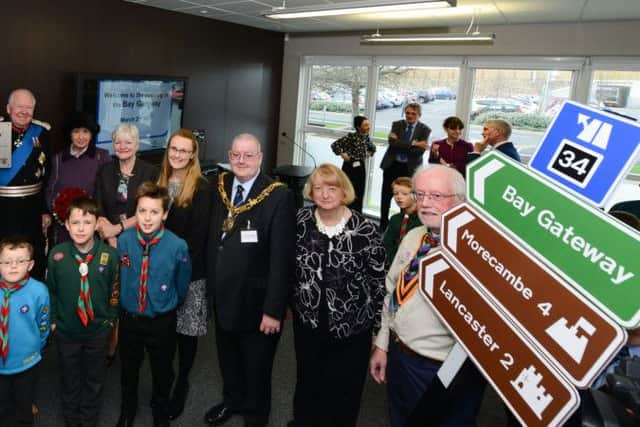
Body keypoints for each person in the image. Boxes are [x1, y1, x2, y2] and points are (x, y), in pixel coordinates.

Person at [369, 165, 486, 427]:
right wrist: (383, 344)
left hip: (445, 369)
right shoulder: (414, 236)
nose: (424, 203)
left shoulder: (478, 250)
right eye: (419, 194)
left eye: (435, 196)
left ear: (460, 200)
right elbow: (392, 293)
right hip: (400, 357)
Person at [205, 133, 295, 427]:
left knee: (257, 367)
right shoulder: (220, 185)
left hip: (258, 303)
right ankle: (232, 400)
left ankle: (256, 416)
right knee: (227, 359)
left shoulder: (278, 195)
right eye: (236, 155)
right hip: (223, 295)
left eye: (248, 155)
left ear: (260, 158)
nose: (241, 161)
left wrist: (274, 309)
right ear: (229, 156)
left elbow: (282, 259)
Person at [289, 163, 386, 427]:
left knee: (344, 391)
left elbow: (379, 284)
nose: (325, 194)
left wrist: (380, 333)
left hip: (353, 330)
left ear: (344, 192)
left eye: (332, 188)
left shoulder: (365, 230)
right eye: (318, 188)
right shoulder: (299, 222)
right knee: (308, 381)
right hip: (308, 324)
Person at [116, 182, 191, 427]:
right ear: (135, 212)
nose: (147, 218)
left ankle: (160, 409)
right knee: (128, 369)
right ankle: (128, 409)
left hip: (161, 321)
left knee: (162, 371)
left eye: (154, 212)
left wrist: (167, 305)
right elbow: (118, 275)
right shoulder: (124, 241)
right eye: (142, 211)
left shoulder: (177, 245)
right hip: (130, 319)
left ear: (165, 214)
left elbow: (182, 285)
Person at [46, 197, 119, 427]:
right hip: (66, 331)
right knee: (69, 378)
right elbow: (52, 292)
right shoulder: (57, 256)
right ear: (66, 225)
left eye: (87, 222)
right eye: (75, 222)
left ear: (97, 224)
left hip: (97, 331)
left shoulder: (109, 255)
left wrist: (109, 321)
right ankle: (71, 419)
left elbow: (114, 292)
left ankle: (89, 420)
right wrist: (55, 321)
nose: (80, 228)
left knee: (94, 379)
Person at [156, 129, 212, 420]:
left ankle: (183, 382)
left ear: (193, 154)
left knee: (186, 333)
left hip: (188, 272)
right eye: (173, 149)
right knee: (164, 332)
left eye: (183, 150)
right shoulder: (158, 181)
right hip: (157, 271)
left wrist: (172, 266)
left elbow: (198, 238)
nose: (177, 154)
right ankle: (164, 382)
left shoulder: (201, 188)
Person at [0, 89, 52, 280]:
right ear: (8, 108)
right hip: (2, 208)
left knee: (31, 256)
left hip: (31, 207)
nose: (24, 111)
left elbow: (47, 175)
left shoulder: (42, 133)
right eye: (19, 106)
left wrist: (44, 209)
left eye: (29, 107)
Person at [0, 237, 50, 426]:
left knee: (23, 407)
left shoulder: (39, 291)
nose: (13, 266)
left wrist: (36, 348)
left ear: (30, 265)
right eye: (6, 262)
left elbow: (43, 325)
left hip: (26, 362)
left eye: (20, 261)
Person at [45, 111, 111, 244]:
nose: (81, 137)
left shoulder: (102, 157)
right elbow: (49, 191)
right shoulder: (58, 159)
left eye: (85, 131)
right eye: (76, 131)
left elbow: (107, 193)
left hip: (93, 226)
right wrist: (59, 214)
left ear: (91, 134)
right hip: (65, 226)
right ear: (70, 134)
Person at [95, 124, 159, 247]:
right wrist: (111, 237)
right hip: (108, 238)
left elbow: (149, 211)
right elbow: (98, 206)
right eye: (118, 142)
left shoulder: (150, 172)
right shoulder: (104, 170)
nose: (122, 147)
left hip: (139, 238)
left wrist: (117, 229)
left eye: (128, 142)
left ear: (137, 145)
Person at [379, 102, 430, 232]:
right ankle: (383, 225)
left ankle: (401, 227)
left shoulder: (425, 129)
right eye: (407, 113)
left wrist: (400, 143)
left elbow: (418, 152)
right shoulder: (397, 124)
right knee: (386, 197)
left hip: (409, 168)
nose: (410, 116)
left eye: (413, 113)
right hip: (392, 166)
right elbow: (393, 144)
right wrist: (414, 144)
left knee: (405, 199)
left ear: (419, 115)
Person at [330, 115, 376, 213]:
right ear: (359, 127)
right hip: (349, 167)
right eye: (365, 125)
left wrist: (369, 153)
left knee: (359, 192)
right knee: (347, 191)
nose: (368, 127)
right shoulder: (350, 137)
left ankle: (357, 215)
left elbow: (373, 148)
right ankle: (344, 213)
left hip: (360, 167)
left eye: (369, 124)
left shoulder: (366, 137)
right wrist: (342, 154)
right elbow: (334, 145)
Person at [382, 177, 421, 265]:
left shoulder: (423, 220)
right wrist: (395, 263)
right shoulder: (395, 219)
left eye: (404, 194)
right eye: (396, 194)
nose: (399, 197)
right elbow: (387, 244)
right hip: (394, 264)